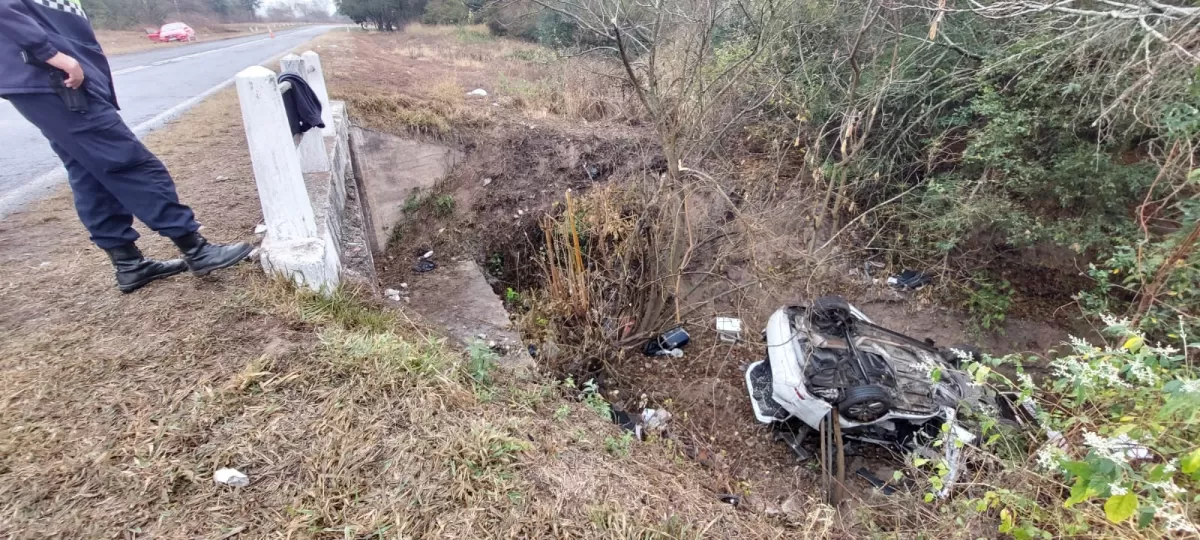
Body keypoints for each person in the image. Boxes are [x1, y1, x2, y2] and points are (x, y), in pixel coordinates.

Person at [0, 0, 252, 293]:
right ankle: (195, 249)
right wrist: (49, 53)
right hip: (49, 76)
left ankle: (130, 265)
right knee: (128, 161)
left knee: (89, 172)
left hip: (46, 77)